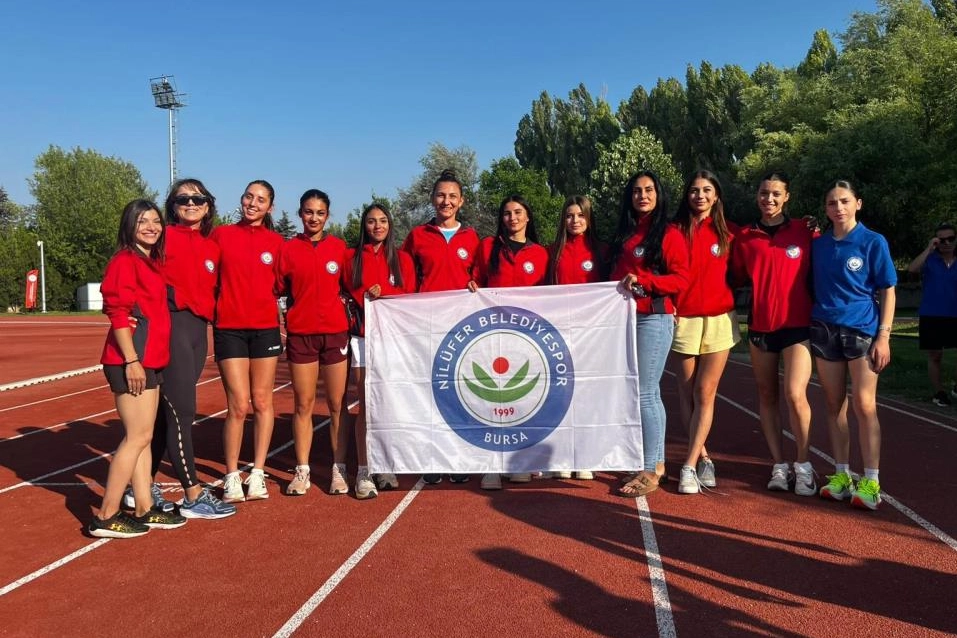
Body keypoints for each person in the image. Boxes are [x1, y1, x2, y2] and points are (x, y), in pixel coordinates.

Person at [132, 179, 237, 518]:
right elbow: (136, 268)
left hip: (198, 332)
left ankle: (141, 485)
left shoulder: (212, 245)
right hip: (172, 328)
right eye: (183, 199)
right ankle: (192, 494)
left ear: (208, 205)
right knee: (183, 412)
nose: (191, 204)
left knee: (166, 415)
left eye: (198, 198)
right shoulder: (163, 237)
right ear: (172, 206)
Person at [89, 199, 186, 537]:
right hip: (131, 361)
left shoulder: (151, 262)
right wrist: (132, 360)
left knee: (144, 437)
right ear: (129, 225)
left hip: (150, 361)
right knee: (137, 437)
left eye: (156, 221)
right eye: (143, 221)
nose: (151, 227)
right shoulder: (124, 261)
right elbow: (117, 312)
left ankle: (144, 507)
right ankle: (106, 515)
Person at [730, 172, 816, 496]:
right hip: (761, 327)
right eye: (764, 193)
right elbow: (735, 276)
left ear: (787, 196)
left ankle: (804, 465)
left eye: (776, 194)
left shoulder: (805, 231)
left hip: (797, 326)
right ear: (757, 196)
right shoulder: (745, 237)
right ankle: (779, 464)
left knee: (795, 394)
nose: (769, 199)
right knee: (767, 396)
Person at [812, 180, 896, 511]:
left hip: (862, 331)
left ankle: (871, 482)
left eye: (845, 201)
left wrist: (884, 336)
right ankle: (842, 475)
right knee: (834, 405)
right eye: (832, 203)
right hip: (824, 329)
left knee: (864, 404)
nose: (839, 208)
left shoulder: (873, 241)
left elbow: (888, 289)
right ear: (826, 208)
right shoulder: (819, 245)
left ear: (858, 203)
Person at [611, 171, 690, 497]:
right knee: (643, 392)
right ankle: (653, 462)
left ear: (658, 194)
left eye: (648, 190)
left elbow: (681, 279)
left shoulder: (669, 233)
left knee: (645, 392)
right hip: (627, 320)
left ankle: (652, 468)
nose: (642, 196)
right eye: (636, 191)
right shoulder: (627, 234)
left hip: (654, 318)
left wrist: (645, 281)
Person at [402, 169, 480, 485]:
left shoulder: (472, 238)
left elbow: (481, 278)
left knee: (460, 392)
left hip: (462, 328)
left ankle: (458, 456)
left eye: (452, 196)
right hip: (428, 327)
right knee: (431, 391)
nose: (446, 201)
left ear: (461, 201)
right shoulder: (418, 236)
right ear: (432, 199)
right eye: (440, 195)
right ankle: (431, 456)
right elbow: (403, 276)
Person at [468, 195, 550, 490]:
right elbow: (476, 280)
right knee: (493, 400)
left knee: (524, 399)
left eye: (518, 212)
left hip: (527, 337)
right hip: (494, 334)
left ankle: (521, 462)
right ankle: (492, 464)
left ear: (528, 217)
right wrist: (473, 286)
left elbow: (549, 295)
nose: (512, 218)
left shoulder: (540, 253)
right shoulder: (488, 247)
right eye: (507, 213)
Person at [211, 180, 284, 503]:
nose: (253, 203)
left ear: (270, 207)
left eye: (261, 199)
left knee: (263, 401)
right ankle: (231, 475)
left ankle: (257, 472)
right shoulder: (221, 235)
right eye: (249, 196)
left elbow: (282, 284)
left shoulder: (276, 243)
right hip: (229, 328)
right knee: (239, 404)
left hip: (265, 329)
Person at [277, 190, 352, 498]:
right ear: (300, 214)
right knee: (303, 404)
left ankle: (339, 468)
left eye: (320, 213)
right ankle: (302, 470)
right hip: (302, 334)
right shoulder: (288, 249)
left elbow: (351, 285)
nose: (314, 218)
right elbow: (278, 287)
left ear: (327, 216)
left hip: (335, 334)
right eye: (308, 212)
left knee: (337, 404)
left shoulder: (339, 248)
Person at [671, 170, 739, 495]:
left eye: (707, 190)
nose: (700, 195)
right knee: (686, 393)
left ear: (716, 196)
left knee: (705, 392)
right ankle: (704, 457)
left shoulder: (730, 233)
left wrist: (810, 231)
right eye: (694, 190)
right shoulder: (674, 231)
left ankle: (688, 465)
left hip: (719, 319)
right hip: (683, 320)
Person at [343, 203, 417, 495]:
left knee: (389, 402)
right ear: (364, 225)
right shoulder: (351, 258)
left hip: (393, 341)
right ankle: (364, 468)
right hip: (363, 340)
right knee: (366, 404)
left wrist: (385, 292)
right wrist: (364, 295)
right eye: (372, 221)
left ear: (390, 224)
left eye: (383, 221)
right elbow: (346, 292)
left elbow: (410, 297)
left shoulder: (402, 259)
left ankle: (387, 464)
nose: (377, 226)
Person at [546, 195, 609, 481]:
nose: (575, 221)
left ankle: (584, 456)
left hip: (591, 335)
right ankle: (560, 455)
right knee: (560, 395)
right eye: (570, 215)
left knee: (586, 395)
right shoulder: (552, 252)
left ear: (589, 218)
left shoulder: (602, 252)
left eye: (580, 215)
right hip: (559, 333)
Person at [906, 222, 957, 406]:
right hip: (932, 314)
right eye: (942, 240)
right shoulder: (930, 259)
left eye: (951, 238)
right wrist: (929, 249)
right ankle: (939, 392)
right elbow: (912, 269)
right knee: (935, 355)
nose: (947, 243)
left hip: (955, 313)